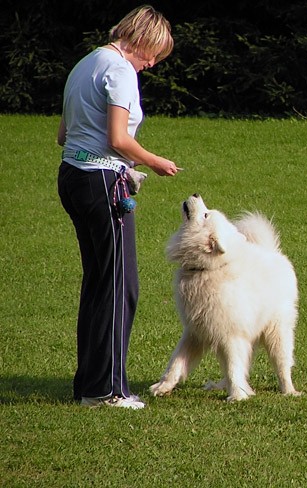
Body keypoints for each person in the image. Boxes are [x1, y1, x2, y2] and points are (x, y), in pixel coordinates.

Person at [57, 5, 178, 409]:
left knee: (97, 283)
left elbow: (63, 133)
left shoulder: (86, 63)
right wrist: (155, 161)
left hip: (73, 176)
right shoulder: (121, 70)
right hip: (103, 182)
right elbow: (118, 139)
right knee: (119, 286)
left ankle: (88, 383)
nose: (150, 64)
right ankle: (106, 390)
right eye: (153, 55)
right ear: (141, 40)